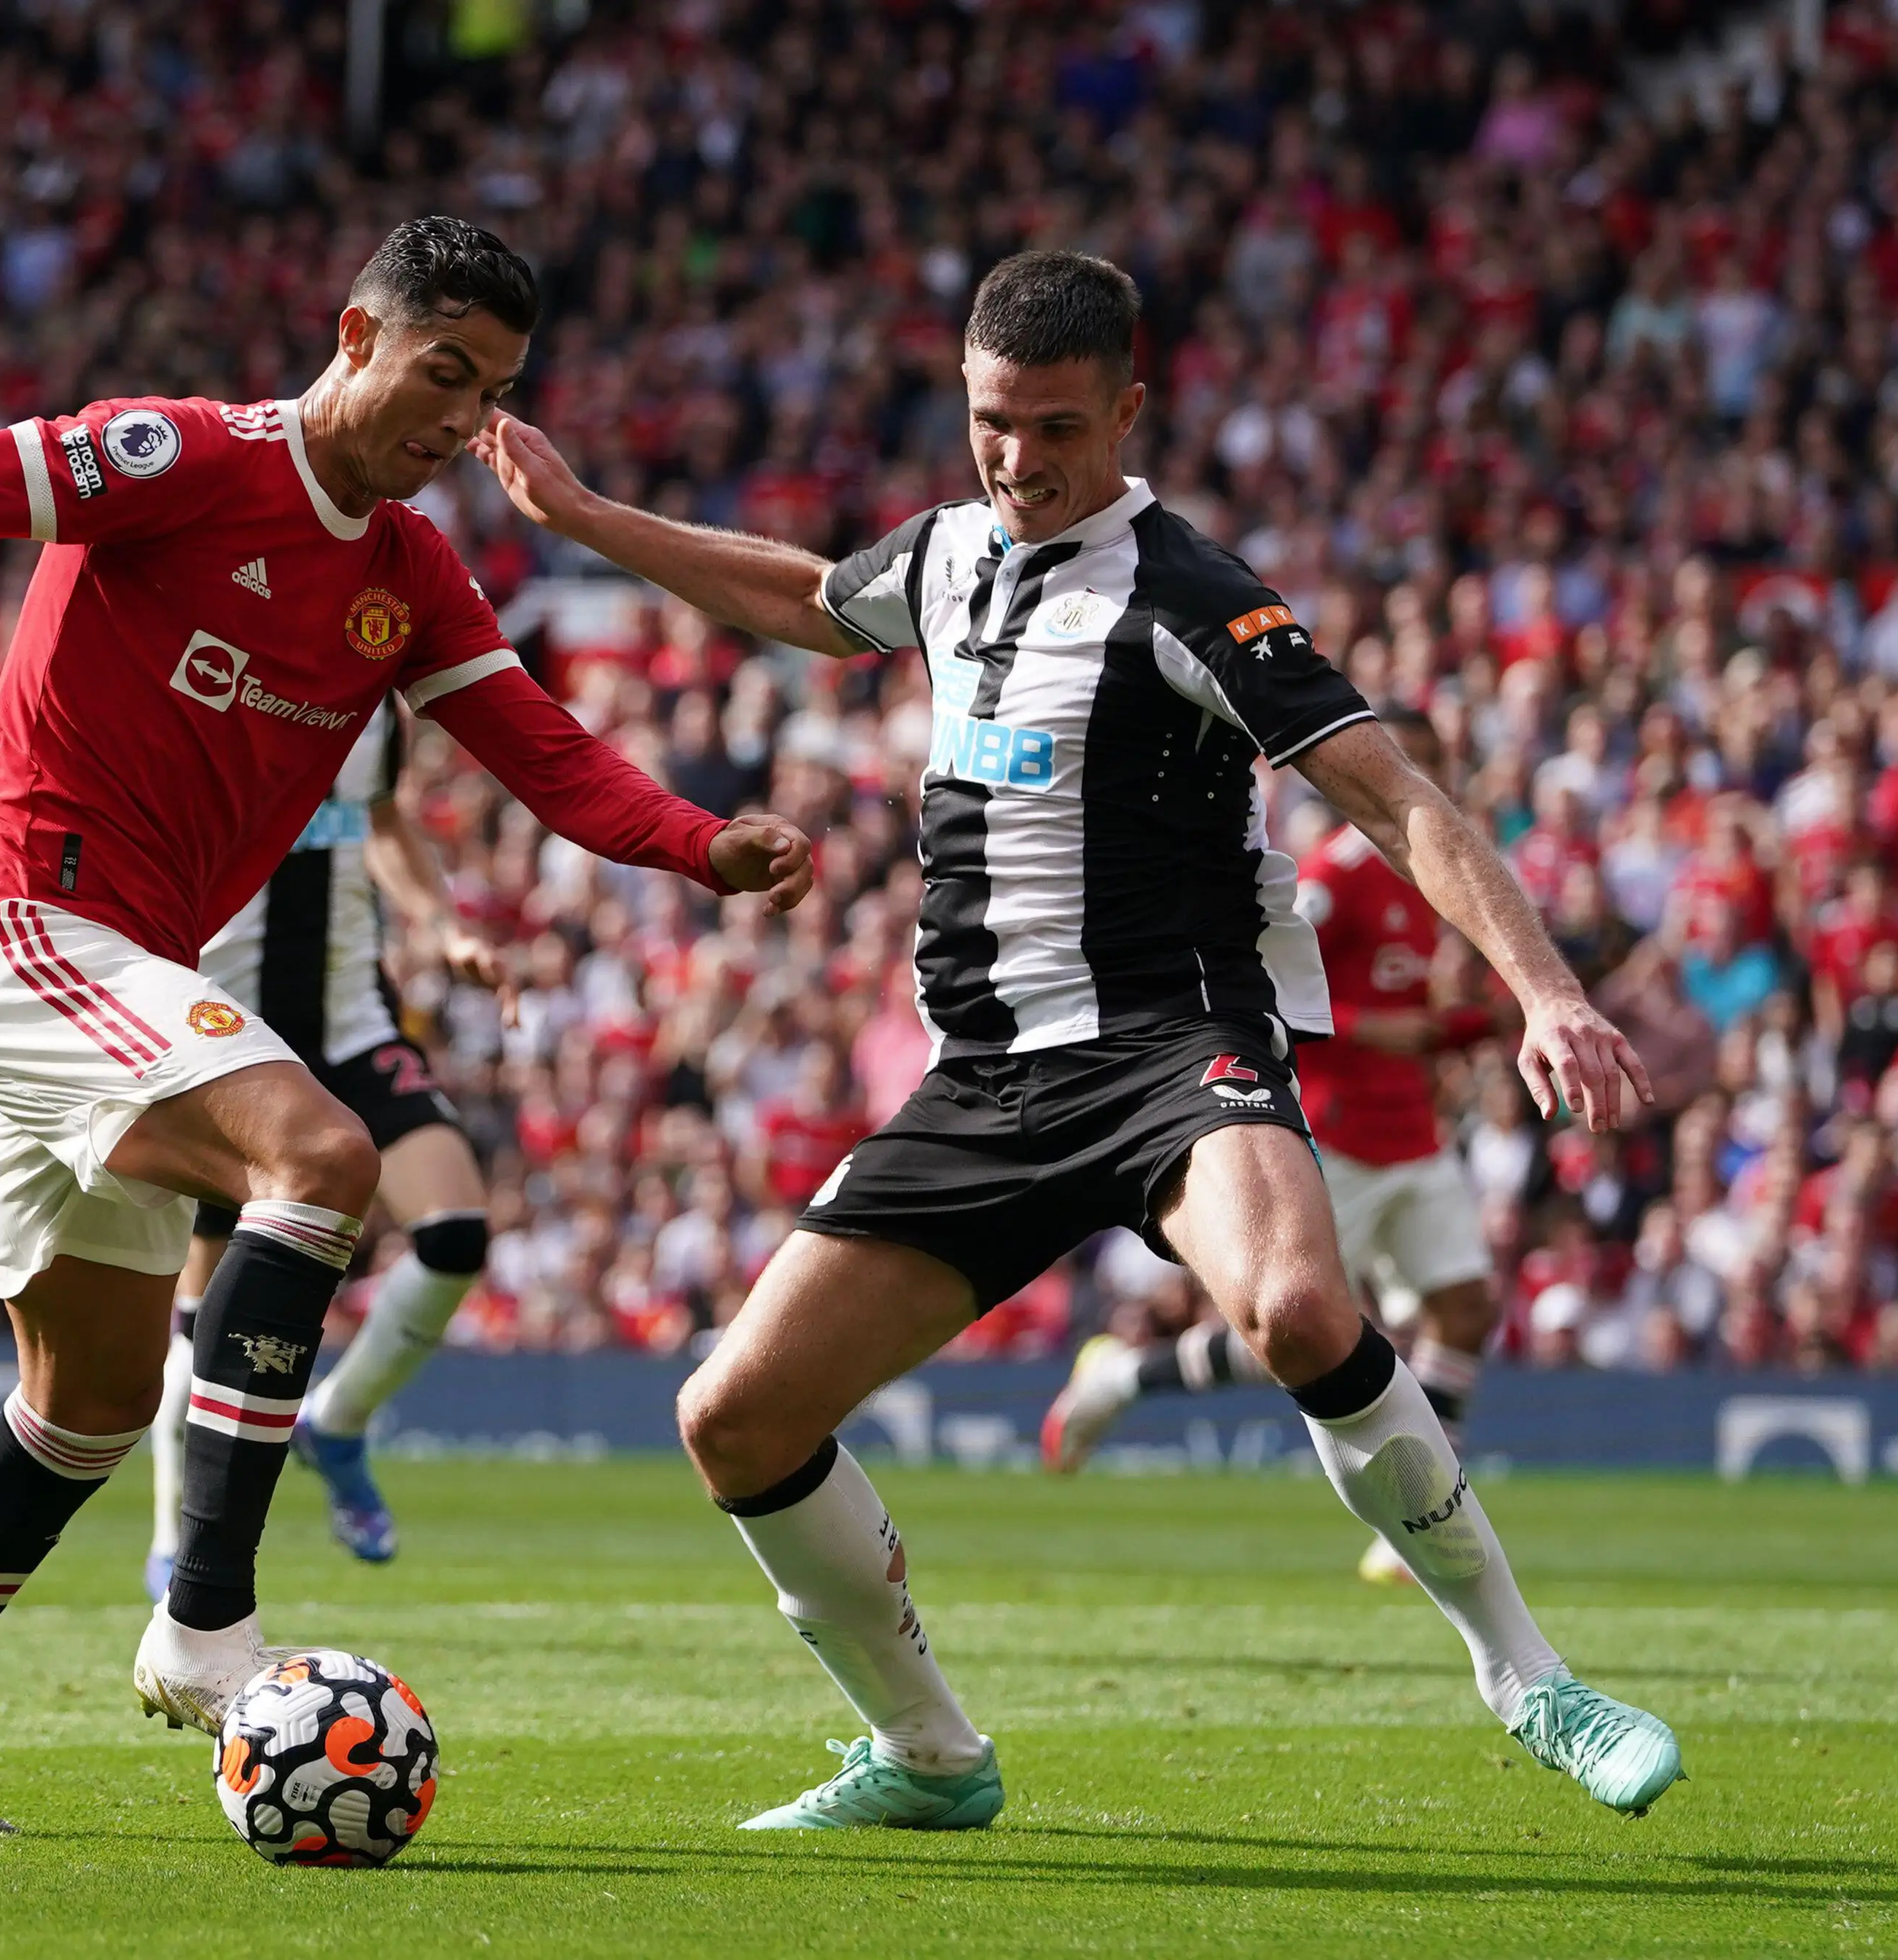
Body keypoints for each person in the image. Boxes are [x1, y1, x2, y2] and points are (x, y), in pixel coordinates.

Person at [471, 249, 1679, 1831]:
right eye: (989, 423)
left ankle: (1529, 1678)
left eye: (1052, 427)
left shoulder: (1190, 591)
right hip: (985, 1078)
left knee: (1302, 1306)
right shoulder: (949, 559)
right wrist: (584, 524)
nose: (1017, 460)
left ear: (1127, 405)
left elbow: (1391, 796)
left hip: (1169, 1047)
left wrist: (1547, 991)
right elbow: (803, 595)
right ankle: (926, 1753)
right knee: (731, 1415)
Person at [0, 216, 814, 1832]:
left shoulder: (405, 571)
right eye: (442, 375)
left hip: (119, 977)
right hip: (23, 924)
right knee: (319, 1158)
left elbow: (546, 757)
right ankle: (205, 1620)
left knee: (83, 1412)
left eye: (489, 397)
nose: (459, 423)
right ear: (354, 334)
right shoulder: (184, 459)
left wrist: (703, 843)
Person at [1041, 705, 1507, 1589]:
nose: (1430, 781)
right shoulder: (1333, 874)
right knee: (1291, 1337)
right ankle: (1119, 1380)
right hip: (1338, 1133)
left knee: (1465, 1305)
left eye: (1440, 762)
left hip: (1413, 1131)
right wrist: (1390, 1031)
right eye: (1418, 761)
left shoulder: (1429, 868)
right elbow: (1270, 984)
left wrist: (1458, 1026)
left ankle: (1424, 1514)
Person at [144, 699, 504, 1587]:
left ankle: (336, 1423)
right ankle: (169, 1535)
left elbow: (380, 825)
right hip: (227, 1036)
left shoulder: (377, 704)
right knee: (201, 1313)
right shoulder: (204, 685)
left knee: (455, 1232)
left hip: (351, 1023)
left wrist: (440, 923)